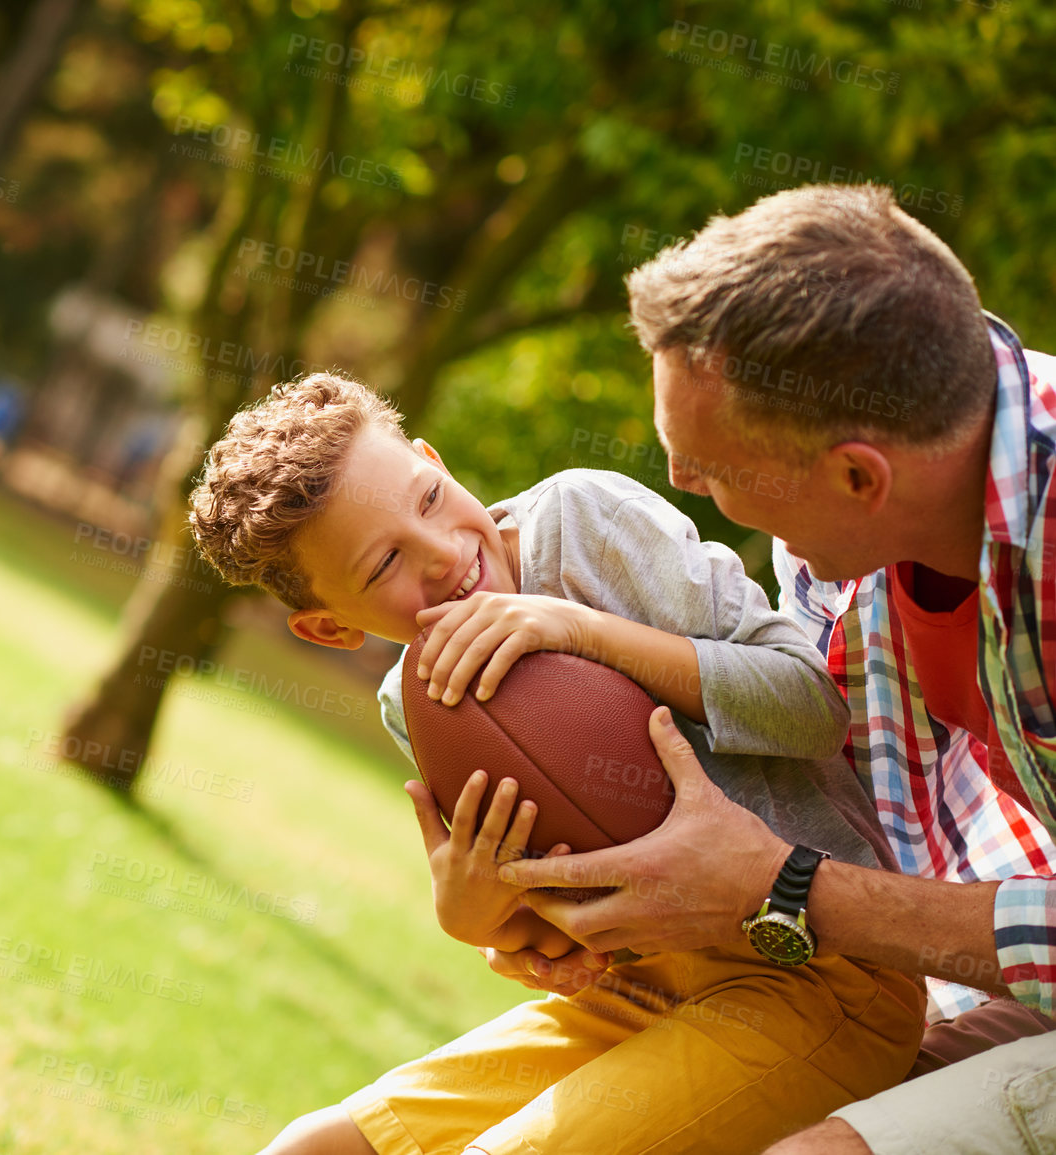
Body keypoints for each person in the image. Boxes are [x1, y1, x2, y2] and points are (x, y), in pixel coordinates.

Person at [186, 374, 922, 1155]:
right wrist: (486, 919)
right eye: (381, 566)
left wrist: (582, 631)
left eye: (429, 497)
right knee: (313, 1147)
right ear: (330, 628)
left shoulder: (583, 525)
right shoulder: (420, 702)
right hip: (644, 990)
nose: (441, 555)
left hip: (817, 970)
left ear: (431, 457)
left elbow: (813, 706)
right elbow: (569, 929)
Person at [497, 183, 1056, 1153]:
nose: (681, 484)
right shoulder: (838, 542)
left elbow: (789, 880)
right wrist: (619, 888)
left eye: (711, 466)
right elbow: (807, 814)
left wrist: (782, 889)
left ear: (856, 475)